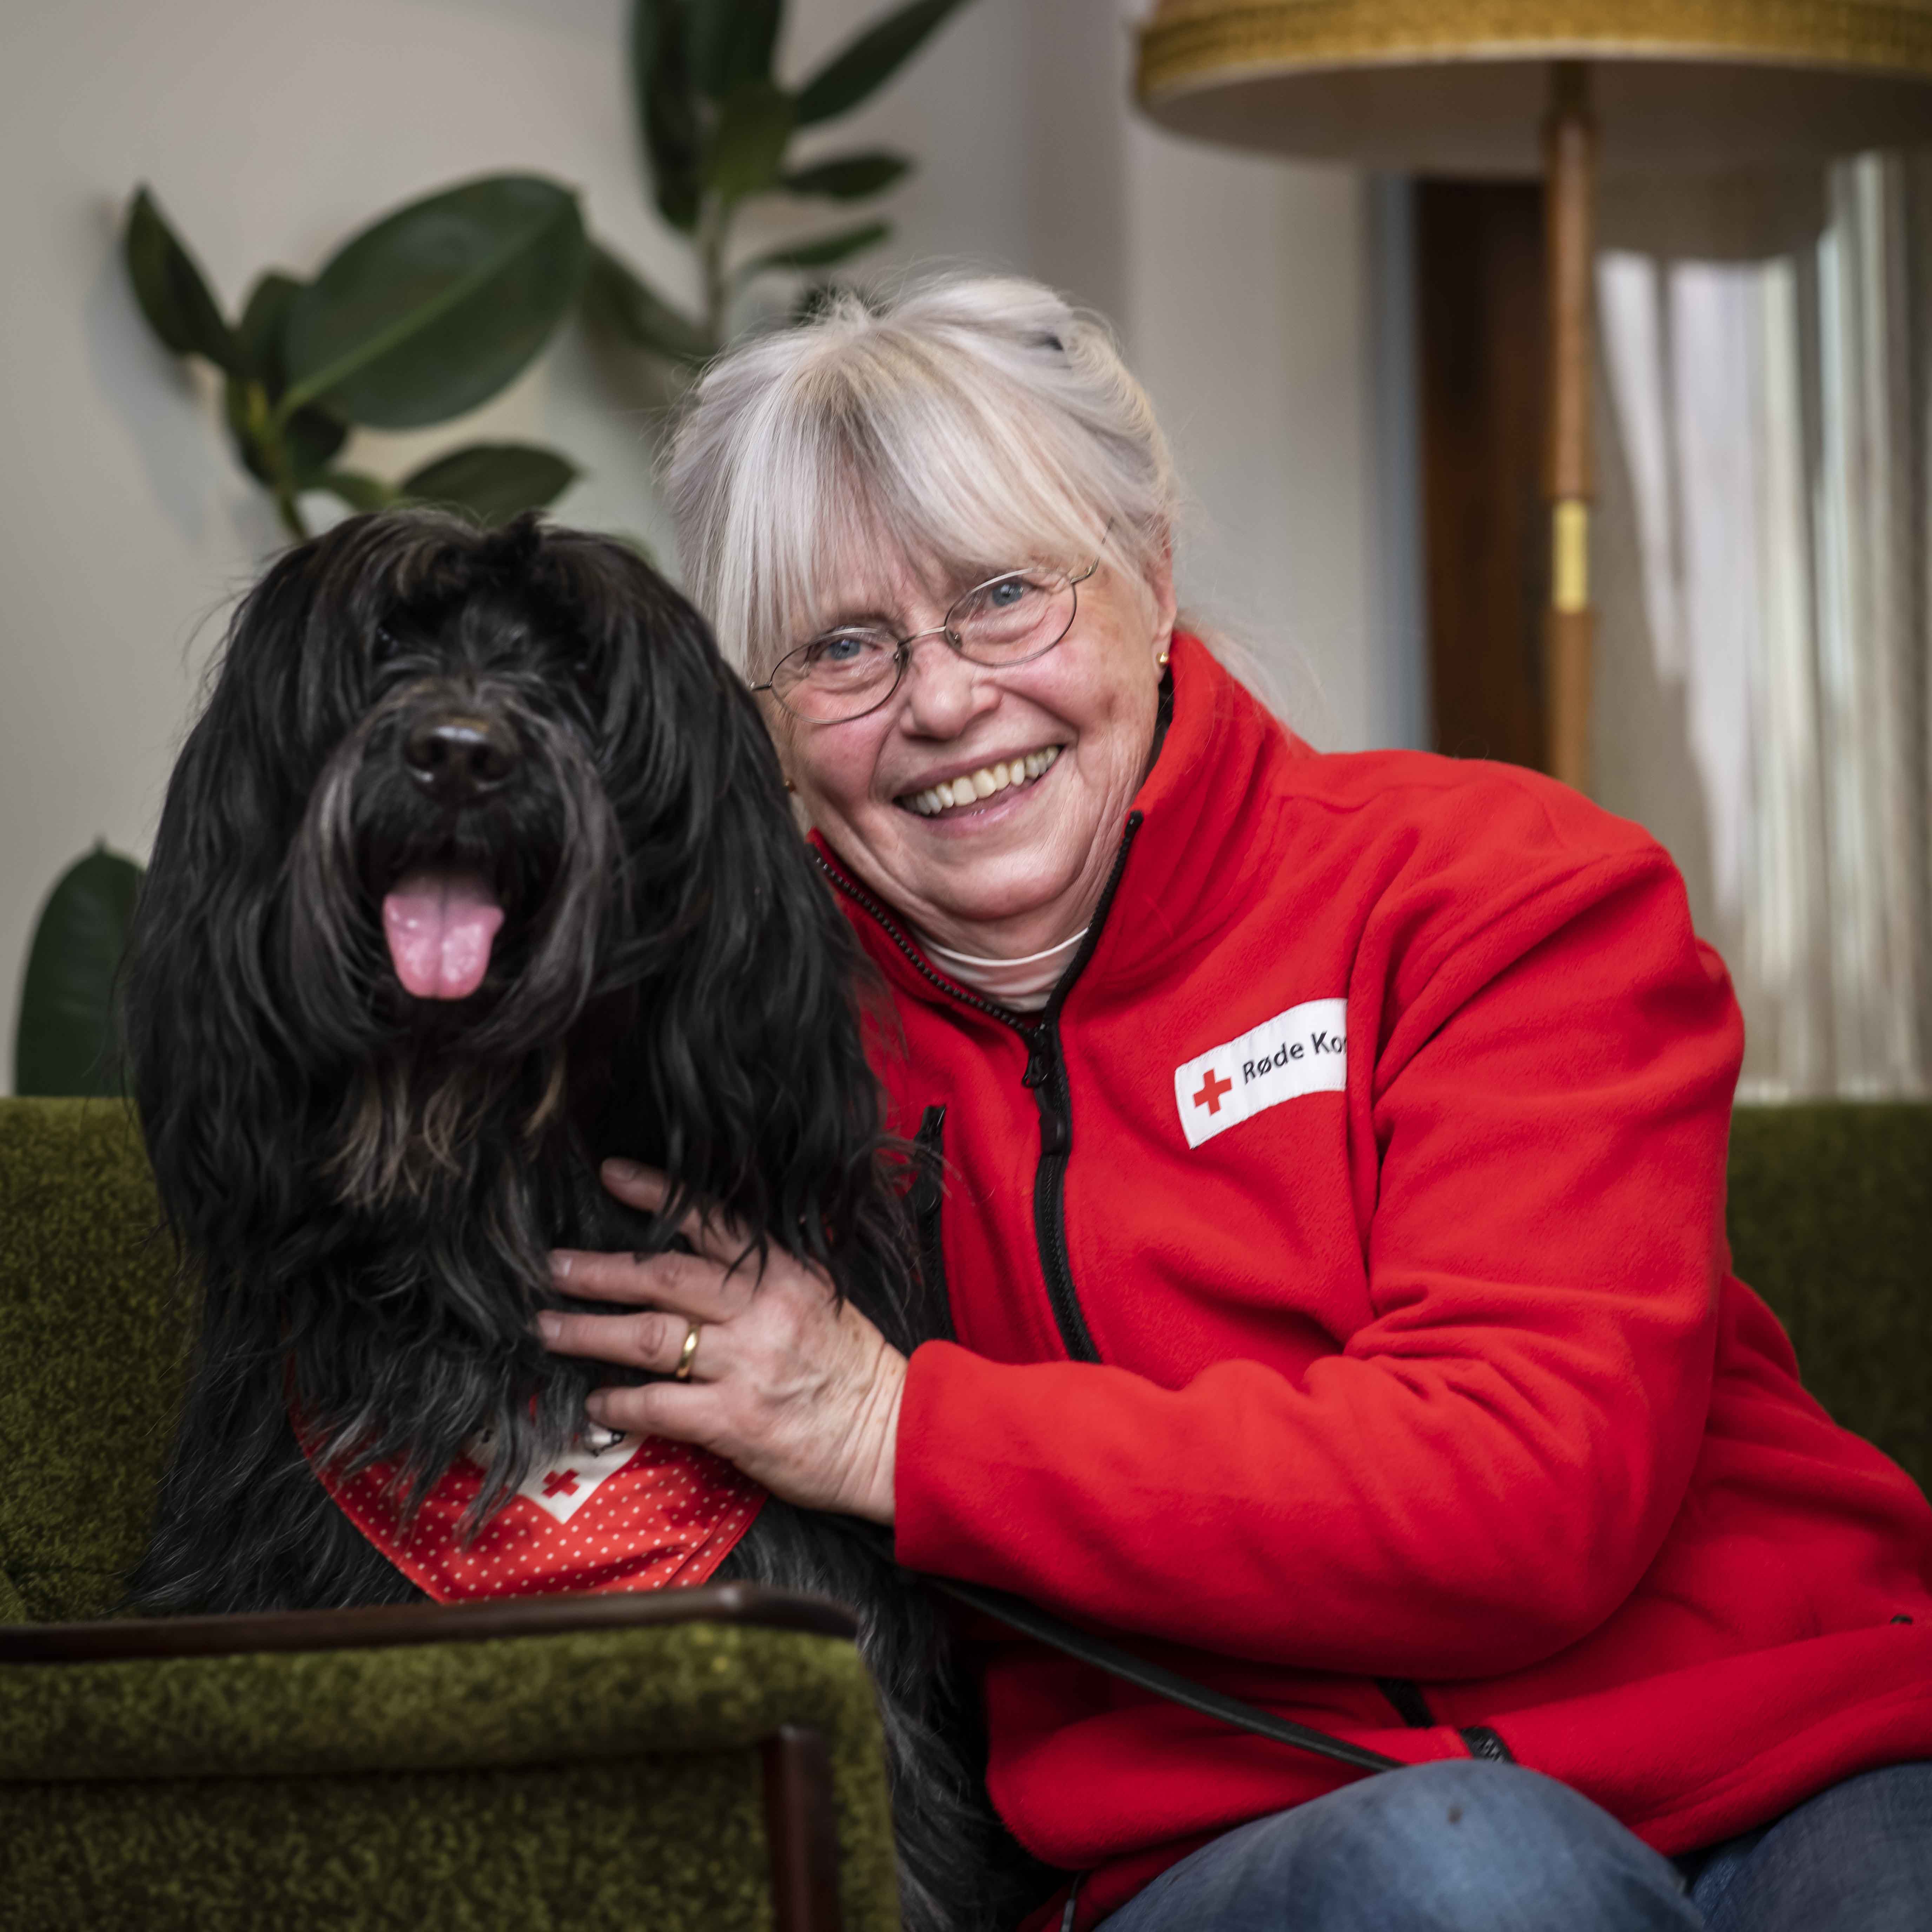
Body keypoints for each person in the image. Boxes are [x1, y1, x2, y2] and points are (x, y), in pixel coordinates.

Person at [538, 276, 1932, 1930]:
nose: (938, 699)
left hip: (1807, 1753)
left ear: (1146, 578)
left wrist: (893, 1428)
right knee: (1466, 1874)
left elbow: (1520, 1489)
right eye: (841, 646)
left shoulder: (1494, 889)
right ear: (759, 716)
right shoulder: (761, 1058)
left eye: (1001, 596)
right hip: (1256, 1853)